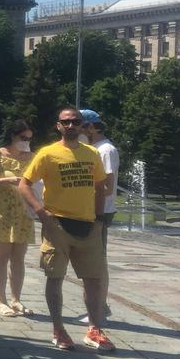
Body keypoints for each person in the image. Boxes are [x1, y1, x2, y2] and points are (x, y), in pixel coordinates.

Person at [17, 107, 115, 352]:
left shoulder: (91, 153)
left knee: (93, 279)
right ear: (58, 125)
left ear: (83, 126)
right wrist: (40, 211)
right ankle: (58, 329)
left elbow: (101, 187)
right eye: (66, 122)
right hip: (57, 224)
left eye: (76, 122)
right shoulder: (48, 153)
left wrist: (99, 219)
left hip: (88, 225)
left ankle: (94, 329)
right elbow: (24, 184)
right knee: (55, 277)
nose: (71, 126)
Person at [0, 119, 37, 320]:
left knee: (19, 258)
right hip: (1, 211)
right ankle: (1, 301)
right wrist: (10, 180)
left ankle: (16, 299)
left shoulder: (31, 157)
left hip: (23, 212)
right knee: (1, 257)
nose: (26, 142)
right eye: (23, 138)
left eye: (29, 139)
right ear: (13, 136)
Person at [80, 110, 119, 319]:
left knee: (97, 261)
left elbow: (108, 185)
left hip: (100, 211)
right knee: (92, 260)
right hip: (91, 209)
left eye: (81, 126)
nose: (78, 130)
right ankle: (98, 305)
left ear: (92, 127)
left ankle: (100, 306)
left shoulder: (106, 150)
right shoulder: (93, 148)